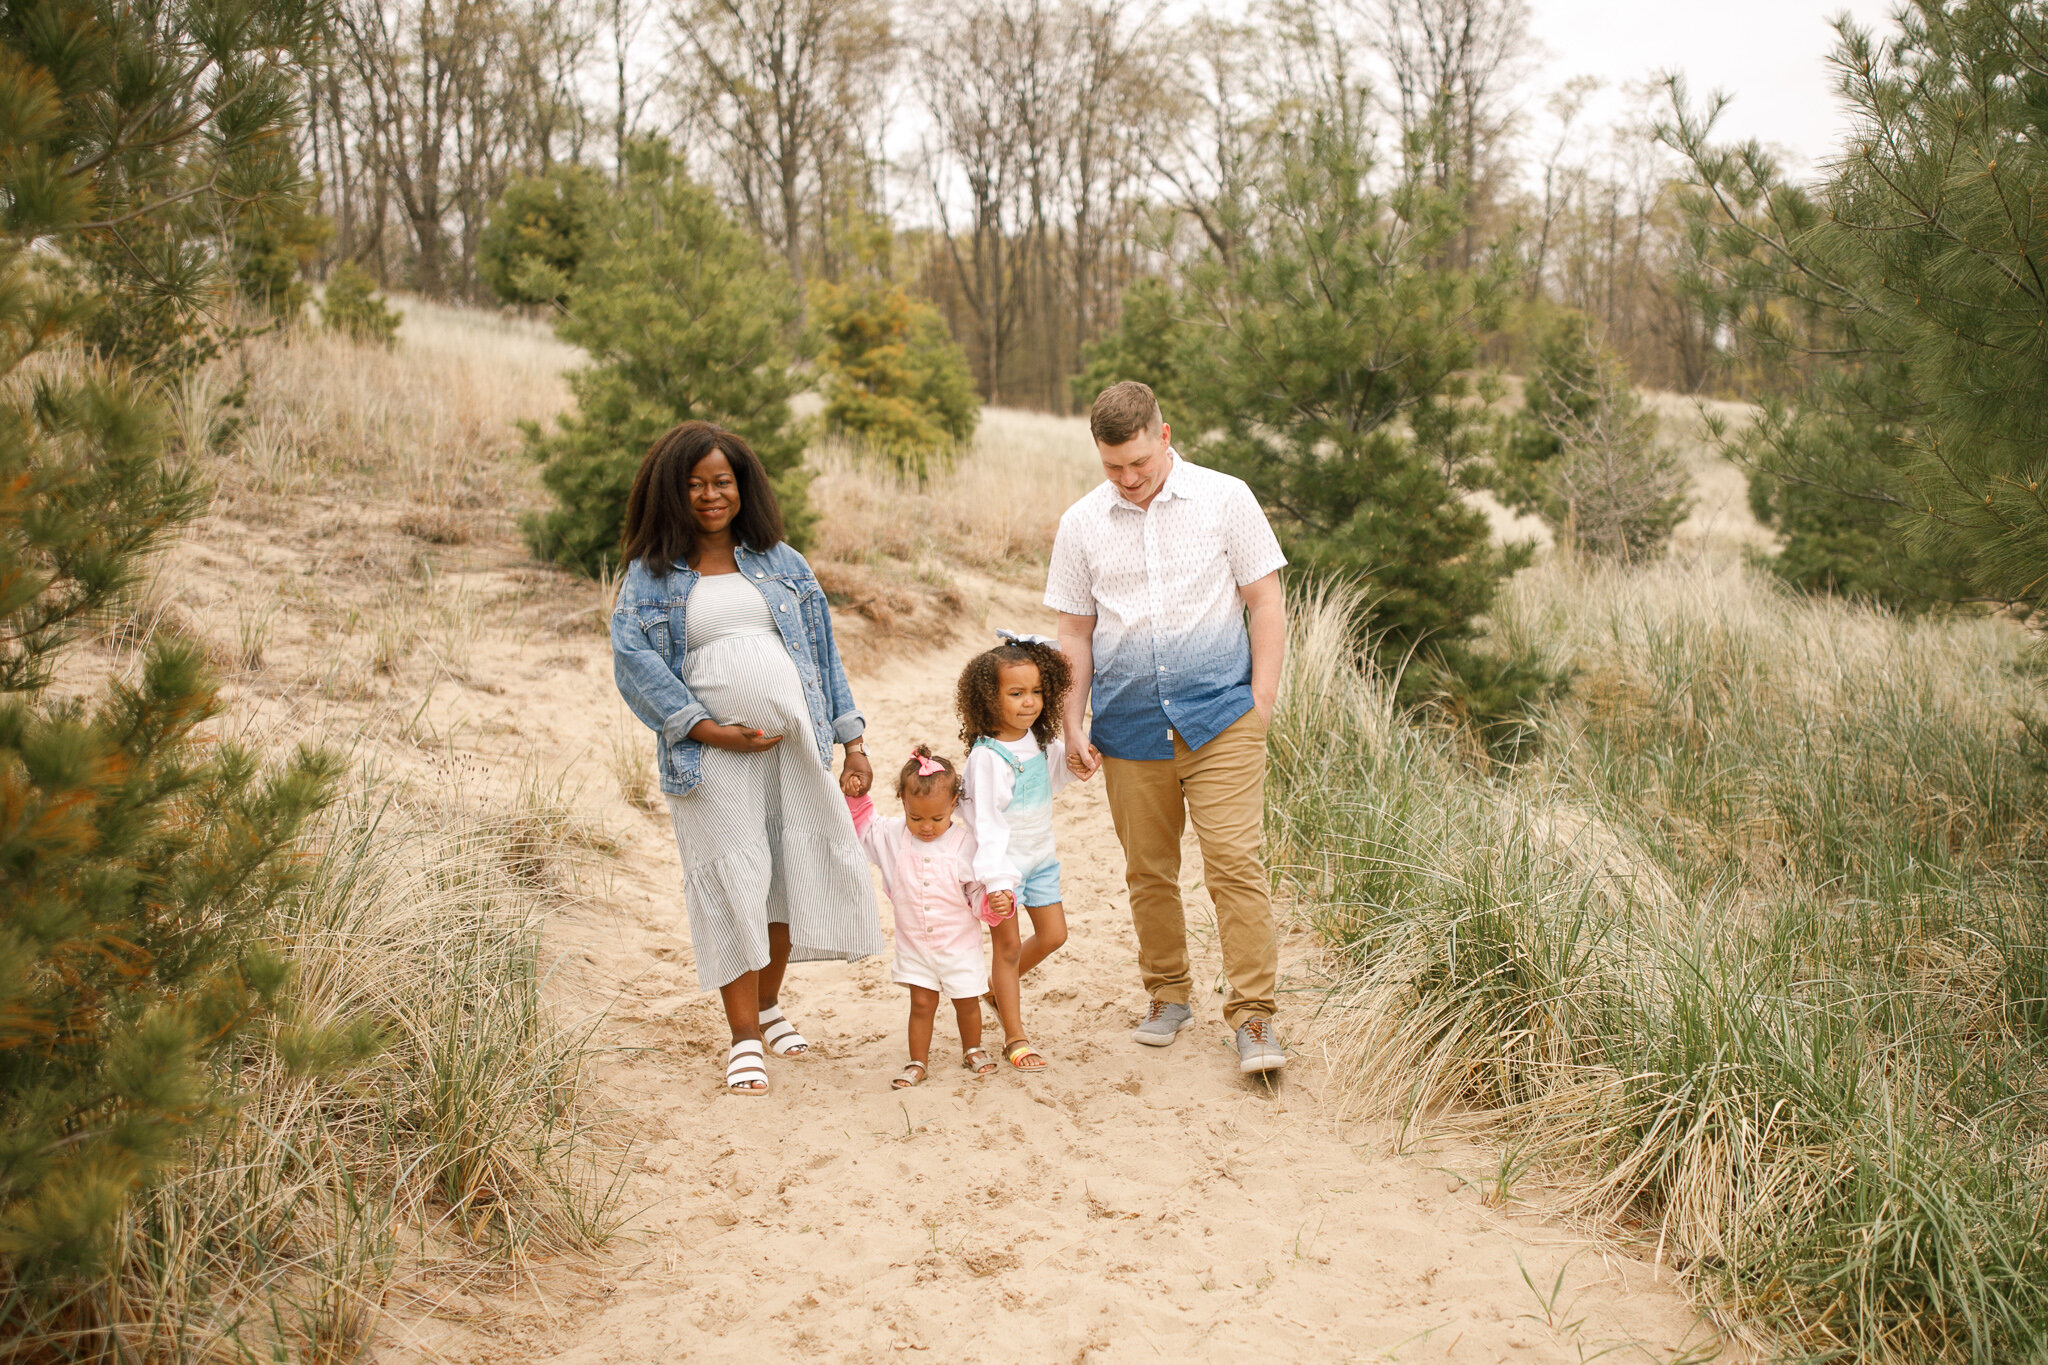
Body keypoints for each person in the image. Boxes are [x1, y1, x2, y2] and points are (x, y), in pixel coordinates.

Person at [610, 420, 879, 1096]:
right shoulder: (649, 579)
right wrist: (705, 728)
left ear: (742, 485)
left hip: (794, 745)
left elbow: (823, 654)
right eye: (695, 484)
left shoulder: (782, 562)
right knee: (735, 878)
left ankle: (767, 1003)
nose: (709, 495)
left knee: (784, 874)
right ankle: (743, 1038)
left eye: (721, 481)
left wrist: (854, 739)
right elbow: (634, 663)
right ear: (672, 492)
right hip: (710, 757)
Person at [1045, 381, 1291, 1076]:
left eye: (1138, 465)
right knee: (1148, 871)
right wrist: (1071, 721)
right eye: (1112, 467)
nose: (1127, 479)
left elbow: (1265, 600)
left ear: (1165, 435)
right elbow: (1074, 631)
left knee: (1236, 865)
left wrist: (1262, 699)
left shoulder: (1226, 498)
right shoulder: (1081, 524)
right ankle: (1167, 994)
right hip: (1128, 727)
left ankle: (1253, 1015)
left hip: (1222, 717)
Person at [957, 631, 1080, 1074]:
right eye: (1016, 694)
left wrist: (1078, 760)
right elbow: (985, 825)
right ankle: (1015, 1036)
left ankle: (994, 989)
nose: (1029, 703)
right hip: (1002, 868)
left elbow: (1055, 776)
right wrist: (995, 883)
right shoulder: (987, 757)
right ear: (989, 700)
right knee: (1006, 949)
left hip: (1040, 859)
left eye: (1036, 692)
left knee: (1054, 935)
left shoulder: (1038, 742)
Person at [844, 748, 998, 1088]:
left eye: (937, 819)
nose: (926, 827)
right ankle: (918, 1060)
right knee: (922, 1003)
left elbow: (976, 890)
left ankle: (972, 1047)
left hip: (958, 945)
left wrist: (993, 903)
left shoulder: (964, 843)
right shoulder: (894, 837)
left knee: (966, 1001)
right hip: (915, 944)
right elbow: (865, 828)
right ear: (902, 800)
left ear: (955, 803)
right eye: (917, 819)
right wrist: (857, 796)